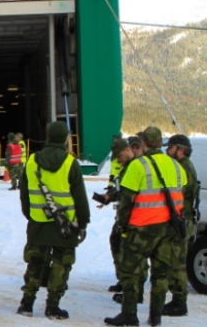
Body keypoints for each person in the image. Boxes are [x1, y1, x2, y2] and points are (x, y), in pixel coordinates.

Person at [105, 127, 187, 327]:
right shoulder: (176, 166)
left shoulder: (138, 166)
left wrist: (123, 227)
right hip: (168, 228)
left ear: (143, 143)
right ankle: (155, 316)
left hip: (141, 227)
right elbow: (183, 193)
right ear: (160, 143)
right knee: (161, 274)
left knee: (131, 272)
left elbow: (126, 203)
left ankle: (129, 314)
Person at [16, 121, 89, 320]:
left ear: (47, 137)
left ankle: (27, 303)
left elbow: (24, 193)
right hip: (64, 225)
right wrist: (83, 222)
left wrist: (30, 215)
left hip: (38, 222)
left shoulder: (31, 161)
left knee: (35, 263)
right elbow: (80, 196)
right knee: (60, 264)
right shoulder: (70, 163)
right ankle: (52, 306)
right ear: (66, 139)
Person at [94, 136, 147, 299]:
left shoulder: (137, 166)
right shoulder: (127, 167)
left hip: (136, 217)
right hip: (127, 216)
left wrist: (124, 222)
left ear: (127, 150)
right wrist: (109, 196)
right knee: (118, 244)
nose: (118, 160)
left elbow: (133, 194)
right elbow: (123, 191)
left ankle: (135, 289)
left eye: (119, 156)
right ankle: (125, 281)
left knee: (135, 254)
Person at [162, 134, 198, 317]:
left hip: (181, 220)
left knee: (177, 262)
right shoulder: (182, 167)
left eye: (170, 147)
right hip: (181, 219)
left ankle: (179, 302)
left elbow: (179, 194)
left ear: (181, 149)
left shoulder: (184, 169)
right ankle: (177, 300)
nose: (167, 150)